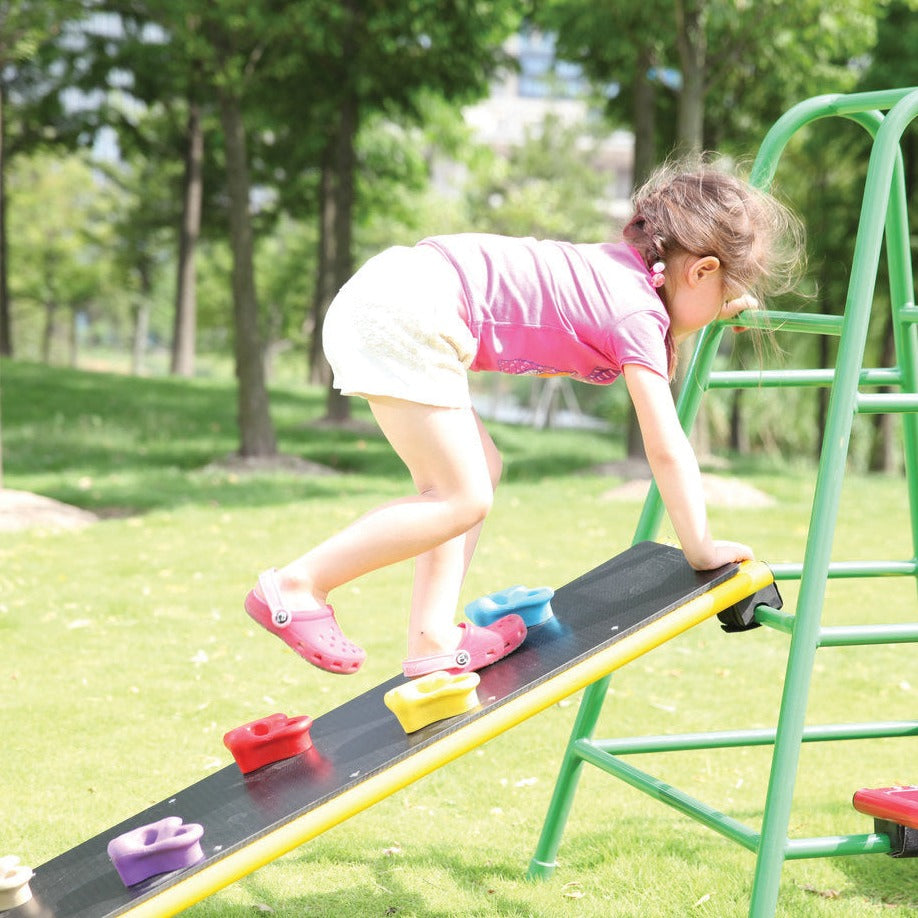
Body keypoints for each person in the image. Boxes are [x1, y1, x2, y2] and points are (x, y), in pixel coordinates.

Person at [244, 159, 803, 677]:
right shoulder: (634, 309)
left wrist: (702, 314)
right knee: (462, 496)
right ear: (702, 271)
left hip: (391, 293)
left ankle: (432, 638)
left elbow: (652, 325)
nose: (727, 303)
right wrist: (700, 545)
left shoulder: (620, 278)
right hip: (410, 311)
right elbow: (665, 444)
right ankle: (297, 585)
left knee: (475, 474)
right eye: (729, 289)